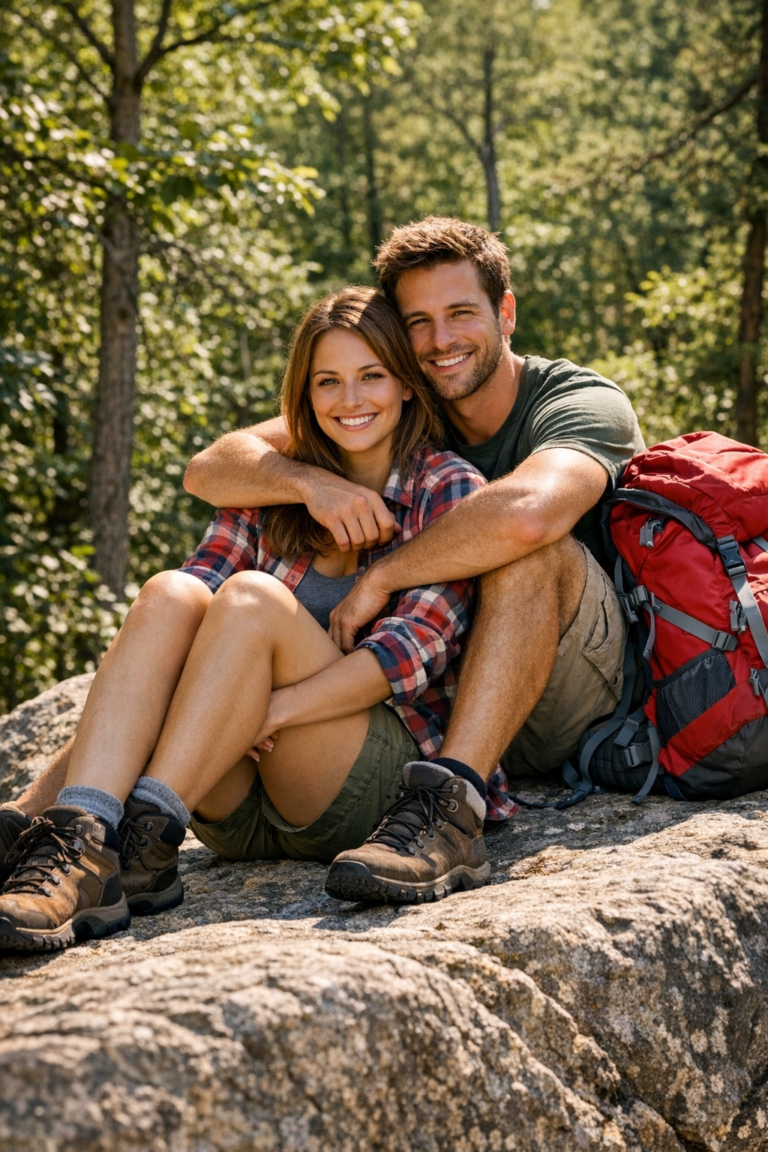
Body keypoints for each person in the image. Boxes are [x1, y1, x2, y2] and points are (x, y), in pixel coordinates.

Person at [0, 286, 492, 952]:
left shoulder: (448, 487)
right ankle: (89, 848)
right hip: (213, 806)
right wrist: (308, 485)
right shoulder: (273, 487)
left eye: (371, 375)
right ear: (303, 394)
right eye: (328, 381)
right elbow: (172, 633)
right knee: (172, 593)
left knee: (252, 597)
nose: (350, 400)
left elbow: (405, 659)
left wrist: (270, 709)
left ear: (406, 382)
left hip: (356, 787)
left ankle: (131, 837)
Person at [180, 216, 646, 902]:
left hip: (574, 694)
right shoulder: (397, 392)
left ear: (506, 312)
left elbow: (528, 515)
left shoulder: (579, 401)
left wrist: (385, 575)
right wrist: (312, 480)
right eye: (417, 322)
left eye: (461, 313)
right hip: (449, 691)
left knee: (526, 551)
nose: (440, 340)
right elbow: (212, 468)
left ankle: (449, 815)